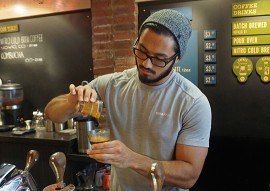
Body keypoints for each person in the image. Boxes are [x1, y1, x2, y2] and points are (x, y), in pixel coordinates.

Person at [45, 9, 211, 191]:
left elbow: (189, 175)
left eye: (159, 59)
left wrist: (131, 159)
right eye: (142, 51)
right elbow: (52, 114)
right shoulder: (112, 85)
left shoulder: (192, 102)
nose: (146, 64)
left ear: (176, 58)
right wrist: (71, 102)